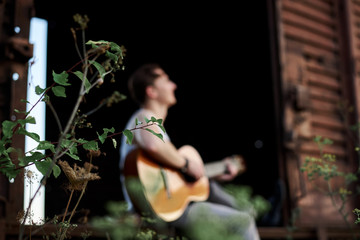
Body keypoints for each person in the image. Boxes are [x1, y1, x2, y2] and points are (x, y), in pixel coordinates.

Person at [119, 63, 261, 240]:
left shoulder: (153, 127)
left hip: (170, 208)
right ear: (152, 92)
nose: (174, 85)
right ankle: (255, 210)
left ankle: (249, 208)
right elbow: (153, 145)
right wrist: (186, 164)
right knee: (243, 222)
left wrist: (211, 172)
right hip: (163, 210)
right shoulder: (143, 116)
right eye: (166, 80)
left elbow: (174, 175)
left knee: (215, 192)